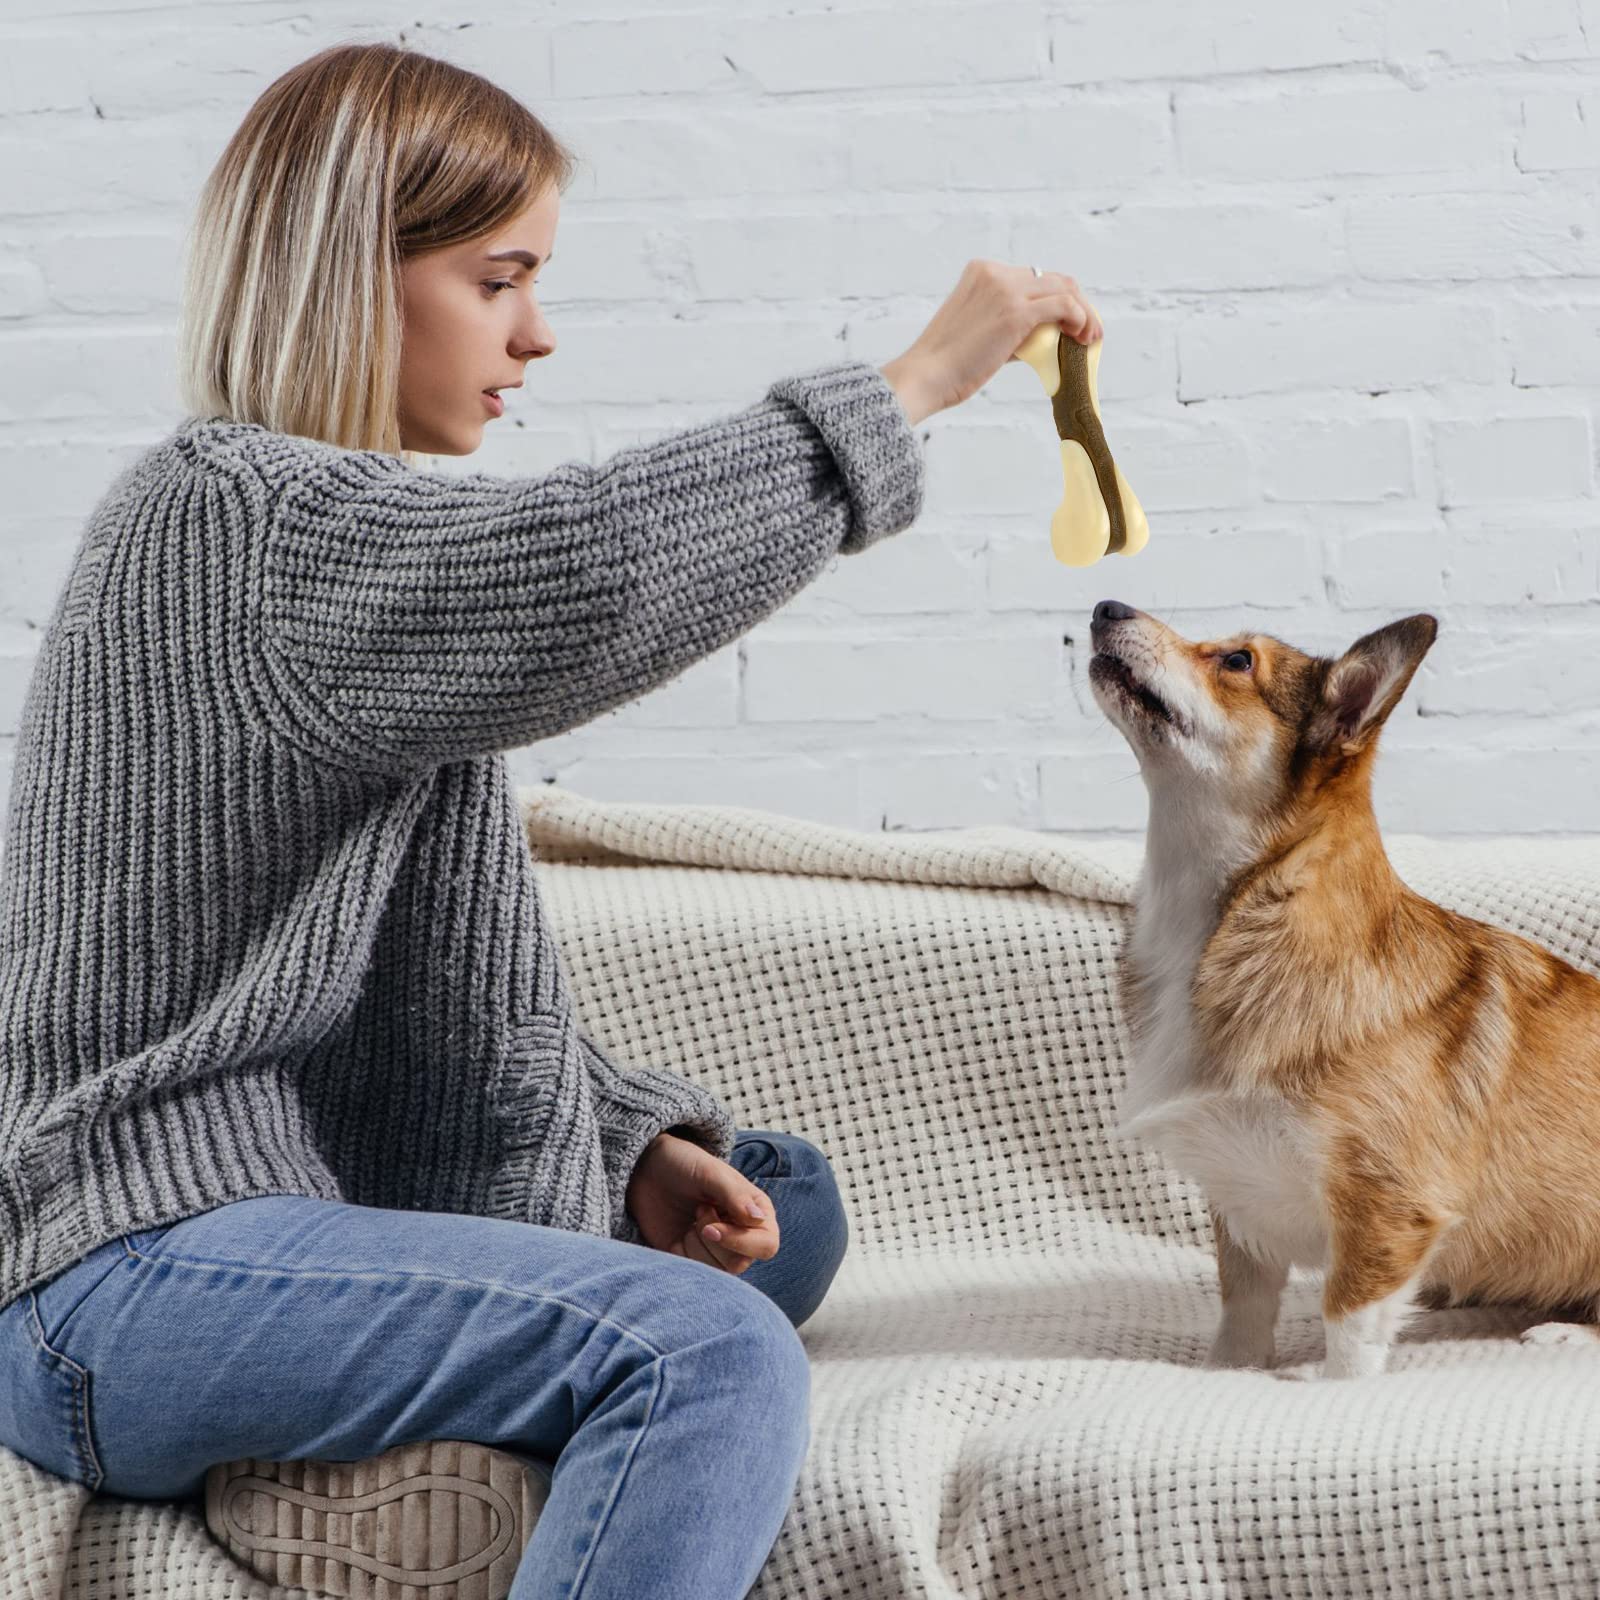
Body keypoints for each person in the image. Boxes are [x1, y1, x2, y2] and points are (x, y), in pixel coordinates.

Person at [0, 39, 1100, 1600]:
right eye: (496, 280)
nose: (539, 335)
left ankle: (345, 1471)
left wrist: (621, 1139)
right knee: (704, 1350)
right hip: (125, 1273)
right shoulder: (238, 521)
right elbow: (588, 572)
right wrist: (911, 389)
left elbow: (410, 994)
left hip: (277, 1209)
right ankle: (329, 1462)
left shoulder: (347, 549)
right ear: (346, 275)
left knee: (783, 1206)